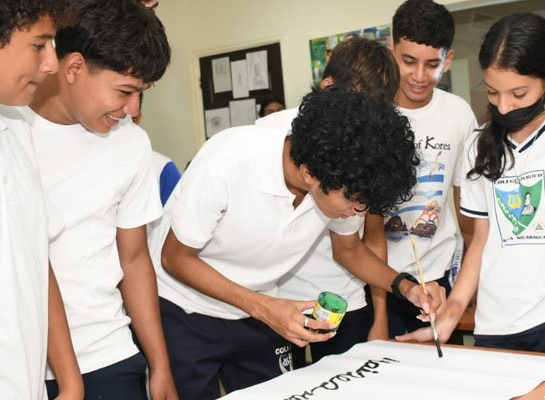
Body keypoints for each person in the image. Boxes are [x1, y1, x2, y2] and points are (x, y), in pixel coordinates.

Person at [150, 88, 444, 399]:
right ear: (309, 174)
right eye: (355, 203)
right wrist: (265, 307)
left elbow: (349, 251)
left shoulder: (342, 179)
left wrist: (405, 286)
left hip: (258, 313)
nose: (357, 212)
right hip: (185, 312)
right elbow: (175, 258)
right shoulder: (227, 162)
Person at [398, 12, 545, 384]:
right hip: (495, 324)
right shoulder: (478, 143)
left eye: (518, 94)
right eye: (492, 92)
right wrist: (452, 310)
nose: (503, 107)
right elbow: (481, 240)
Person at [12, 1, 177, 398]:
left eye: (141, 94)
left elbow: (134, 260)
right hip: (18, 362)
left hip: (107, 354)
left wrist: (160, 365)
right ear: (74, 68)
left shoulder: (132, 145)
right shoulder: (8, 128)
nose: (133, 110)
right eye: (125, 91)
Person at [0, 1, 83, 398]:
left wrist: (70, 381)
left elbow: (35, 257)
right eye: (40, 45)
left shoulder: (16, 125)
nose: (52, 64)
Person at [260, 36, 400, 368]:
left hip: (345, 301)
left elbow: (360, 243)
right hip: (276, 302)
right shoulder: (270, 139)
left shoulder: (370, 145)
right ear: (328, 87)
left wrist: (381, 312)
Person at [371, 0, 478, 341]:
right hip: (375, 280)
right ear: (391, 51)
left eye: (432, 64)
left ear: (447, 59)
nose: (419, 76)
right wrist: (379, 315)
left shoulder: (459, 114)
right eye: (408, 61)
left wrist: (466, 286)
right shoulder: (371, 111)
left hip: (438, 281)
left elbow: (469, 214)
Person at [133, 92, 181, 206]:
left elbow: (179, 221)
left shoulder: (163, 169)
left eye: (131, 119)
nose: (124, 126)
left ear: (138, 118)